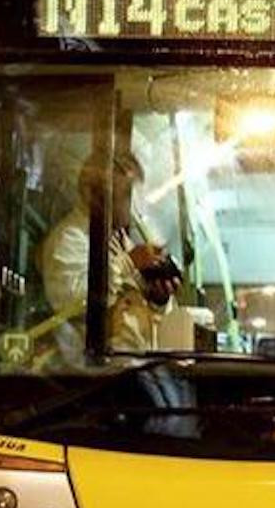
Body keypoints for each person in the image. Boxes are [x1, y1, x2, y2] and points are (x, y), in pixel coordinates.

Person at [40, 150, 181, 356]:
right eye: (126, 194)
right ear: (91, 193)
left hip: (130, 367)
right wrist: (128, 263)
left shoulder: (119, 241)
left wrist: (157, 298)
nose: (131, 206)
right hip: (89, 375)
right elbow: (73, 302)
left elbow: (135, 313)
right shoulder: (69, 239)